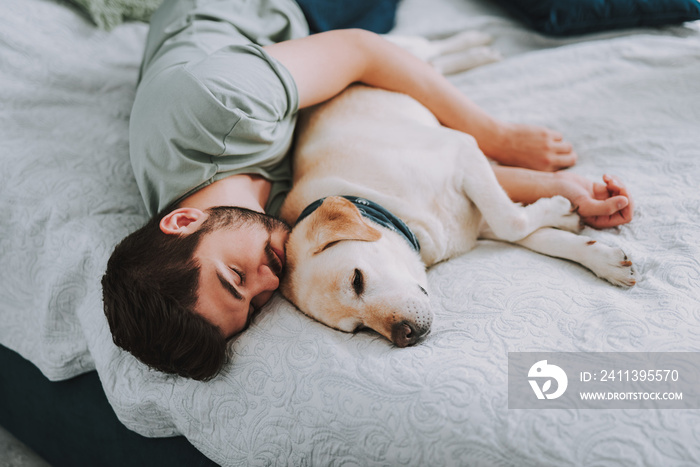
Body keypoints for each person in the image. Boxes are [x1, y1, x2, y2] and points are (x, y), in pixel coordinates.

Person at [102, 0, 633, 381]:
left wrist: (501, 139)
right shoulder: (257, 219)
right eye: (256, 303)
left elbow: (362, 52)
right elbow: (413, 167)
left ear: (179, 223)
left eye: (235, 276)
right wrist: (562, 190)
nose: (270, 278)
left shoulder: (213, 107)